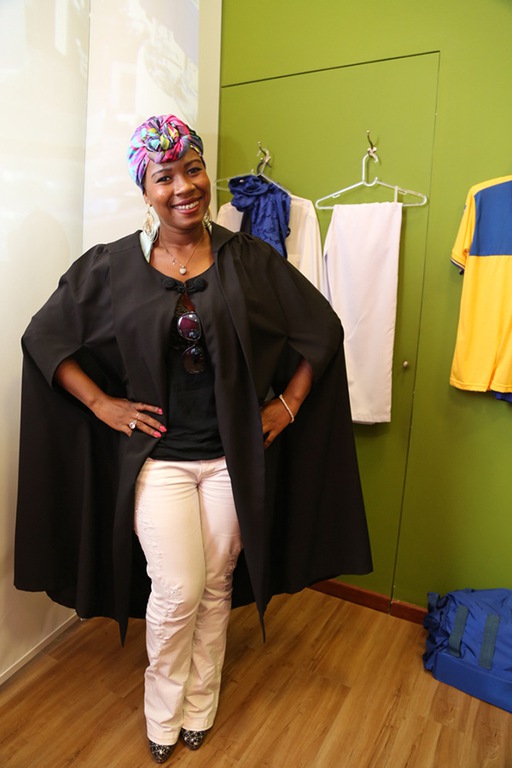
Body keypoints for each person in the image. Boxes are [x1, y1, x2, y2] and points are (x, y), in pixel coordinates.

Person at [14, 115, 372, 763]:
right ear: (145, 190)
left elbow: (322, 330)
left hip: (233, 460)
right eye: (165, 176)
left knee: (216, 585)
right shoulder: (110, 267)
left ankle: (201, 703)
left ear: (206, 172)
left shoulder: (249, 259)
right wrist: (101, 403)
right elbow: (44, 338)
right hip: (161, 464)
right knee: (177, 589)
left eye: (193, 169)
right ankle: (163, 708)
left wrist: (288, 406)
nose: (184, 186)